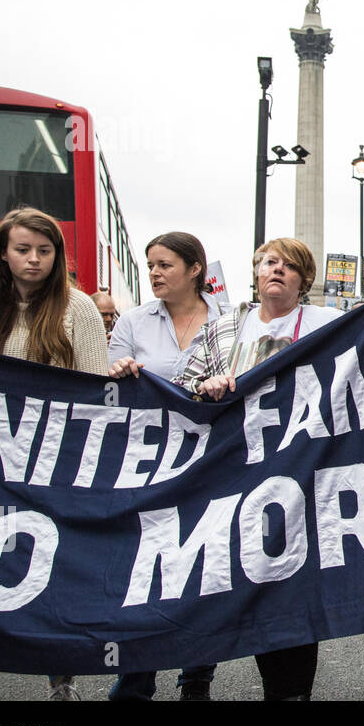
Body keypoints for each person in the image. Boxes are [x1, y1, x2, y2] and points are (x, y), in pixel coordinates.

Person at [174, 237, 342, 700]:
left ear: (304, 280)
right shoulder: (225, 325)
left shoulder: (328, 324)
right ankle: (195, 678)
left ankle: (289, 692)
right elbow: (182, 384)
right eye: (270, 262)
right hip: (231, 476)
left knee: (287, 586)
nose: (278, 270)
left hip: (298, 477)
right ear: (256, 270)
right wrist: (204, 386)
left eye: (291, 266)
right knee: (217, 576)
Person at [0, 207, 108, 701]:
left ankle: (60, 680)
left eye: (45, 251)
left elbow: (94, 388)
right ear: (4, 253)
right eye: (23, 249)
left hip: (54, 470)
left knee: (47, 578)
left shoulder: (78, 308)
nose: (34, 259)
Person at [105, 232, 223, 700]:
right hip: (146, 464)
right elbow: (107, 386)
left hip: (211, 462)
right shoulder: (132, 322)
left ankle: (197, 676)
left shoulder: (229, 320)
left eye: (165, 264)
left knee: (204, 567)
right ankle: (136, 677)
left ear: (195, 269)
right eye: (150, 264)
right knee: (145, 570)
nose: (153, 272)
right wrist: (119, 372)